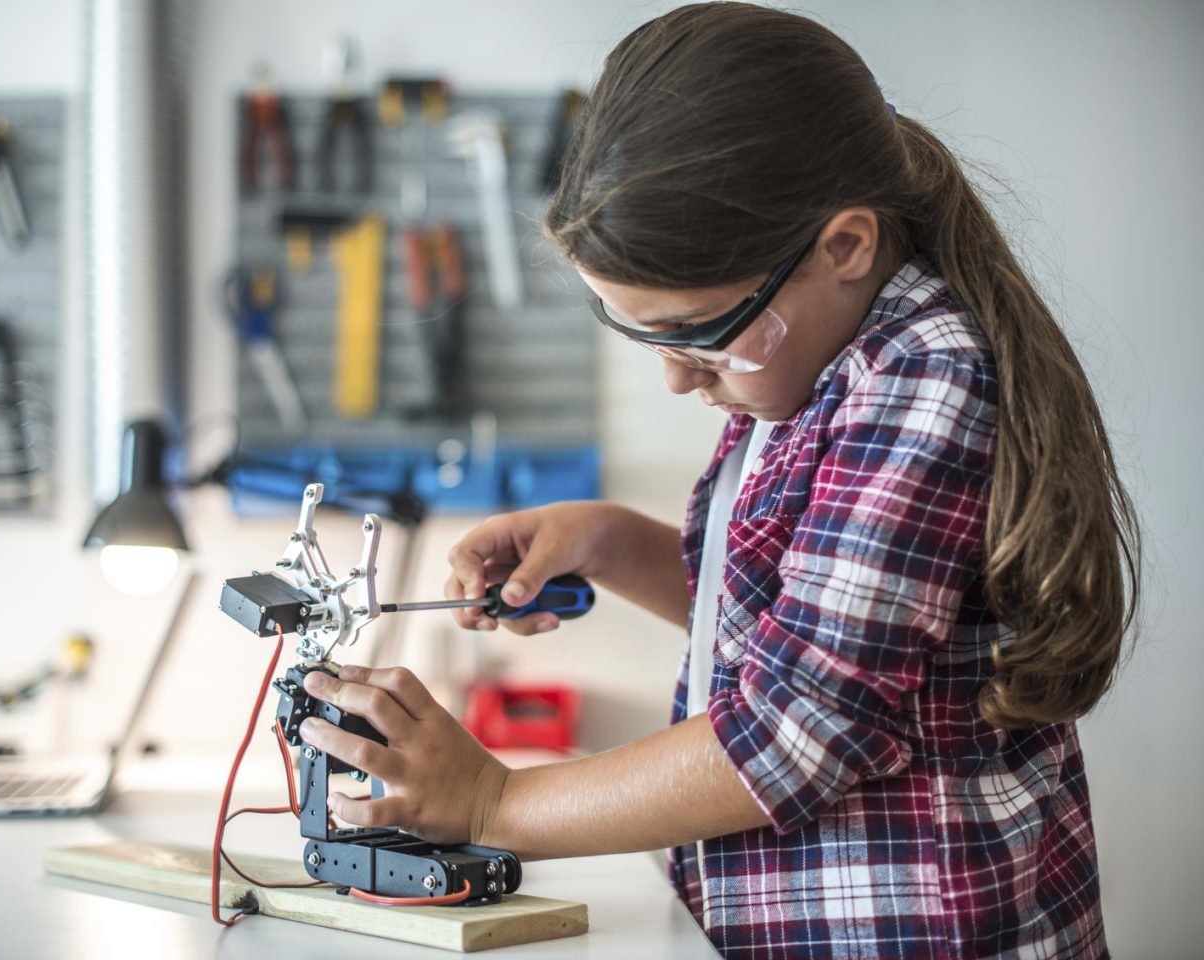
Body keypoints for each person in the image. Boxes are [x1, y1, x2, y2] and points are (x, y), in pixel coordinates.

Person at [293, 3, 1139, 956]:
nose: (677, 374)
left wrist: (494, 801)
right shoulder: (796, 377)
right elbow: (785, 623)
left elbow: (791, 739)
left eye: (697, 330)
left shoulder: (919, 382)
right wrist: (610, 542)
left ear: (846, 247)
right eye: (644, 333)